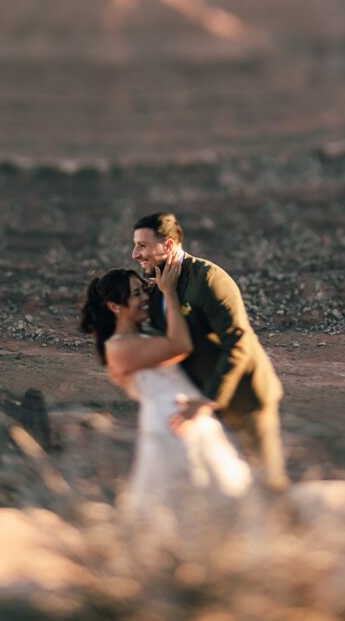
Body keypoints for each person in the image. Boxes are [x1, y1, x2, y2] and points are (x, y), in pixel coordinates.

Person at [126, 212, 289, 492]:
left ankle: (291, 534)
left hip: (243, 399)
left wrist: (209, 400)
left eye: (142, 245)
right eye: (135, 245)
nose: (134, 254)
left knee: (267, 482)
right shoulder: (157, 289)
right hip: (202, 407)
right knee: (231, 486)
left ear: (167, 246)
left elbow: (238, 342)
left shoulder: (209, 279)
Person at [80, 261, 252, 520]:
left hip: (190, 416)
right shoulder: (118, 348)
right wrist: (169, 291)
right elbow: (180, 345)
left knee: (220, 495)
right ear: (116, 307)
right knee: (185, 500)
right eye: (136, 294)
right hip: (169, 425)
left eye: (143, 290)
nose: (144, 298)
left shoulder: (147, 334)